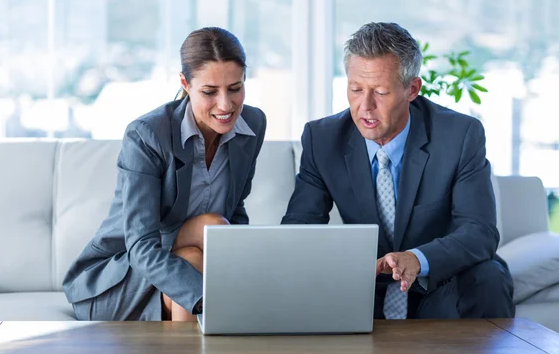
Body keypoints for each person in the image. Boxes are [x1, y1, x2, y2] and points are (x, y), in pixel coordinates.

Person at [281, 22, 515, 319]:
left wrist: (418, 259)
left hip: (438, 283)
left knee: (490, 277)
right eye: (355, 89)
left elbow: (480, 232)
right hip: (361, 286)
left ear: (412, 89)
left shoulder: (459, 135)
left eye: (380, 92)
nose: (365, 106)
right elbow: (298, 229)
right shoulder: (323, 138)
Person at [63, 27, 267, 321]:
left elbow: (235, 211)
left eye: (235, 88)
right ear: (185, 84)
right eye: (209, 92)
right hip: (119, 278)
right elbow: (141, 247)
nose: (225, 105)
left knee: (206, 236)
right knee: (196, 252)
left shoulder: (253, 124)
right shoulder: (147, 135)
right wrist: (212, 300)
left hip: (190, 260)